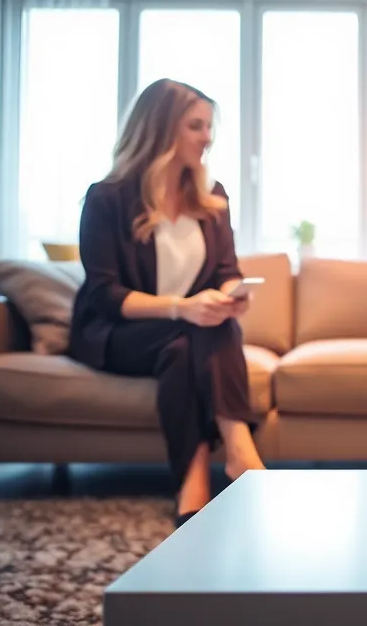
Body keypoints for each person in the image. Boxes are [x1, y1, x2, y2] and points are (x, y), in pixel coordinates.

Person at [67, 78, 266, 527]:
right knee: (196, 326)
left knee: (194, 339)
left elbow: (225, 271)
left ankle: (194, 475)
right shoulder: (107, 198)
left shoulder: (213, 197)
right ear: (160, 128)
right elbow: (104, 295)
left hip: (180, 338)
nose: (208, 137)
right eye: (196, 125)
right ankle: (239, 447)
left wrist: (232, 295)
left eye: (209, 126)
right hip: (116, 334)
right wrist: (182, 307)